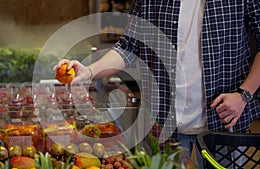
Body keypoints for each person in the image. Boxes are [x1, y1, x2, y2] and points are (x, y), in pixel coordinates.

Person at [55, 0, 260, 168]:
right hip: (164, 127)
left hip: (224, 125)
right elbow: (128, 47)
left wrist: (244, 94)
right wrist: (89, 71)